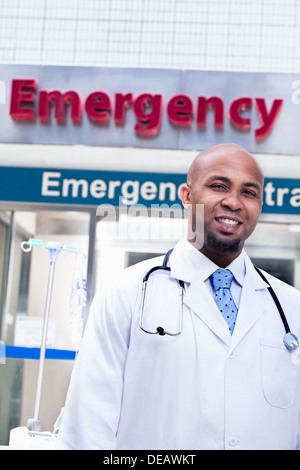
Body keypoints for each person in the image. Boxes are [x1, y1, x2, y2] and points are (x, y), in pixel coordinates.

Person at [57, 143, 300, 450]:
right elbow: (88, 427)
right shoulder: (125, 294)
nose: (234, 202)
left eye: (249, 192)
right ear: (187, 195)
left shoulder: (291, 308)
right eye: (218, 186)